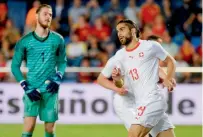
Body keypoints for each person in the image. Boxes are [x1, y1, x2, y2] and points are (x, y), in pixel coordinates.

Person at [112, 19, 176, 137]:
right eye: (117, 31)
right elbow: (122, 85)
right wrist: (117, 80)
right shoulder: (120, 56)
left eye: (122, 29)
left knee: (133, 135)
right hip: (140, 103)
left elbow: (171, 61)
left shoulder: (150, 46)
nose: (119, 33)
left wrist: (168, 78)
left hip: (152, 100)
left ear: (132, 31)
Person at [11, 4, 66, 137]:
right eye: (45, 14)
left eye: (51, 14)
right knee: (28, 128)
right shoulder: (24, 41)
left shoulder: (58, 39)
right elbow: (14, 66)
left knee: (49, 129)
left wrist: (58, 77)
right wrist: (25, 85)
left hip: (50, 90)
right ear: (36, 16)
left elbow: (62, 62)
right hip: (32, 89)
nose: (48, 17)